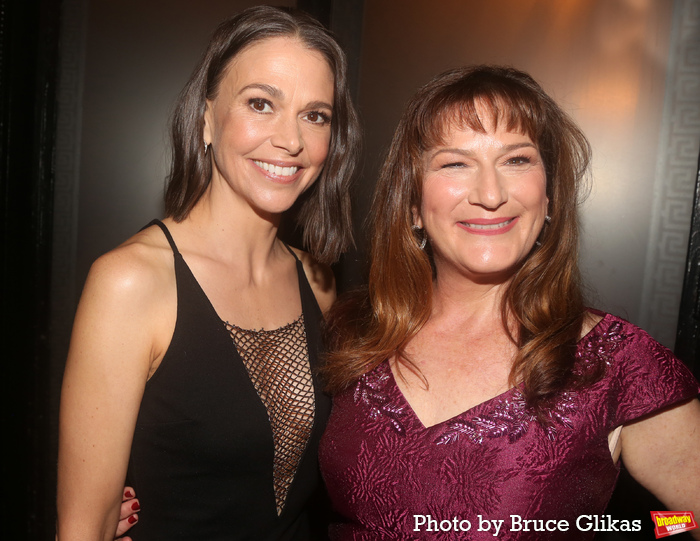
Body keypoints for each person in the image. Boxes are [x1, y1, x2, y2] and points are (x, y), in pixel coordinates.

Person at [318, 65, 700, 540]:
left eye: (516, 160)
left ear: (550, 197)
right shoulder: (353, 332)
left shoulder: (619, 364)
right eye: (454, 163)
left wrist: (632, 530)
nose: (490, 194)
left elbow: (690, 516)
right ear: (413, 205)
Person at [56, 6, 360, 540]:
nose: (290, 140)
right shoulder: (131, 283)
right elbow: (85, 527)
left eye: (315, 115)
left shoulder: (320, 282)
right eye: (261, 104)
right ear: (205, 117)